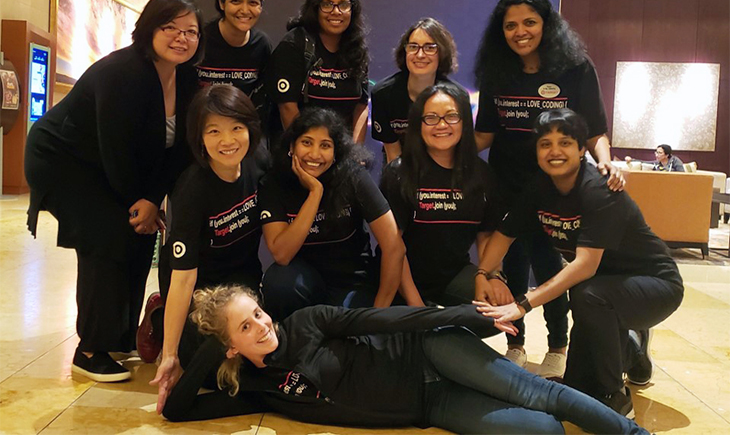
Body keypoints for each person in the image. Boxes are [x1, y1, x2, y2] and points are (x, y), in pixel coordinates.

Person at [161, 285, 649, 435]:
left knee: (538, 392)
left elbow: (390, 319)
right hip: (427, 408)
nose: (263, 326)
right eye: (245, 328)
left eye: (259, 313)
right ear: (231, 347)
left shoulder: (308, 321)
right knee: (543, 430)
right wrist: (210, 344)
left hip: (428, 352)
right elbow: (178, 410)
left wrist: (471, 319)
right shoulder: (255, 387)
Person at [24, 0, 203, 382]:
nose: (181, 37)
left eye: (190, 30)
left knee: (137, 235)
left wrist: (152, 200)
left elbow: (178, 149)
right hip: (66, 161)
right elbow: (115, 148)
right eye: (169, 27)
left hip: (113, 166)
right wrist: (137, 203)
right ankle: (90, 350)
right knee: (106, 234)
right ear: (148, 30)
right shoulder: (123, 72)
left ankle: (118, 338)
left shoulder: (188, 78)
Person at [476, 109, 683, 418]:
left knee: (588, 294)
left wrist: (523, 304)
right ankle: (632, 351)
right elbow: (504, 236)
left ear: (582, 149)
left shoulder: (599, 189)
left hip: (656, 286)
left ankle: (615, 395)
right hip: (604, 286)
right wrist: (483, 273)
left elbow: (585, 265)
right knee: (578, 375)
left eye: (565, 142)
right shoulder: (539, 188)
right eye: (545, 144)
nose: (554, 151)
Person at [472, 0, 624, 378]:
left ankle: (558, 346)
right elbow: (484, 135)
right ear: (500, 32)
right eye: (510, 25)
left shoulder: (575, 69)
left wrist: (606, 163)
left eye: (529, 22)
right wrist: (436, 149)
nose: (519, 31)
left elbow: (594, 131)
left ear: (546, 25)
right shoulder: (497, 73)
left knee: (551, 265)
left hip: (558, 188)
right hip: (508, 185)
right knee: (512, 265)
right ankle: (515, 344)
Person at [135, 85, 269, 403]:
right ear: (199, 137)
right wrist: (170, 353)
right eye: (214, 131)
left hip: (243, 283)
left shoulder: (258, 162)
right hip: (201, 292)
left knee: (261, 358)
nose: (227, 141)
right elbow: (183, 277)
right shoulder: (192, 190)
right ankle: (162, 313)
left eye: (237, 128)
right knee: (217, 375)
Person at [257, 107, 407, 320]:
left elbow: (394, 246)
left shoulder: (353, 176)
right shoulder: (274, 183)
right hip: (302, 280)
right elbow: (282, 254)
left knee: (347, 338)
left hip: (351, 282)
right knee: (278, 282)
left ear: (336, 152)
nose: (315, 154)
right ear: (292, 146)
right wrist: (315, 193)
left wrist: (378, 314)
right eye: (306, 142)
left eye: (325, 145)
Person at [380, 83, 505, 307]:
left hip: (452, 276)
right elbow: (392, 247)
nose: (442, 125)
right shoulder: (398, 173)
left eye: (451, 117)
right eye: (431, 118)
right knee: (418, 329)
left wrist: (492, 277)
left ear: (465, 122)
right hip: (402, 278)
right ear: (419, 124)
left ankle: (438, 326)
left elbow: (486, 236)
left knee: (498, 304)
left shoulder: (482, 175)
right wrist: (415, 304)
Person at [264, 0, 369, 142]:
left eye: (343, 5)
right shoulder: (295, 44)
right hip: (301, 150)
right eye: (327, 5)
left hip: (342, 152)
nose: (336, 11)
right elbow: (287, 106)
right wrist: (308, 148)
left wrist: (355, 154)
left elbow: (361, 105)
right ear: (316, 8)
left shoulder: (356, 47)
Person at [371, 17, 461, 164]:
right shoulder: (383, 94)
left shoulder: (456, 97)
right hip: (400, 171)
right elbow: (392, 155)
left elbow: (456, 153)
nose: (420, 55)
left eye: (429, 48)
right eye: (413, 46)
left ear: (442, 53)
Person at [196, 0, 273, 122]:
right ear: (222, 3)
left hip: (242, 129)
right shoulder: (200, 38)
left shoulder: (262, 45)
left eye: (252, 2)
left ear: (261, 5)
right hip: (200, 126)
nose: (244, 10)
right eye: (236, 1)